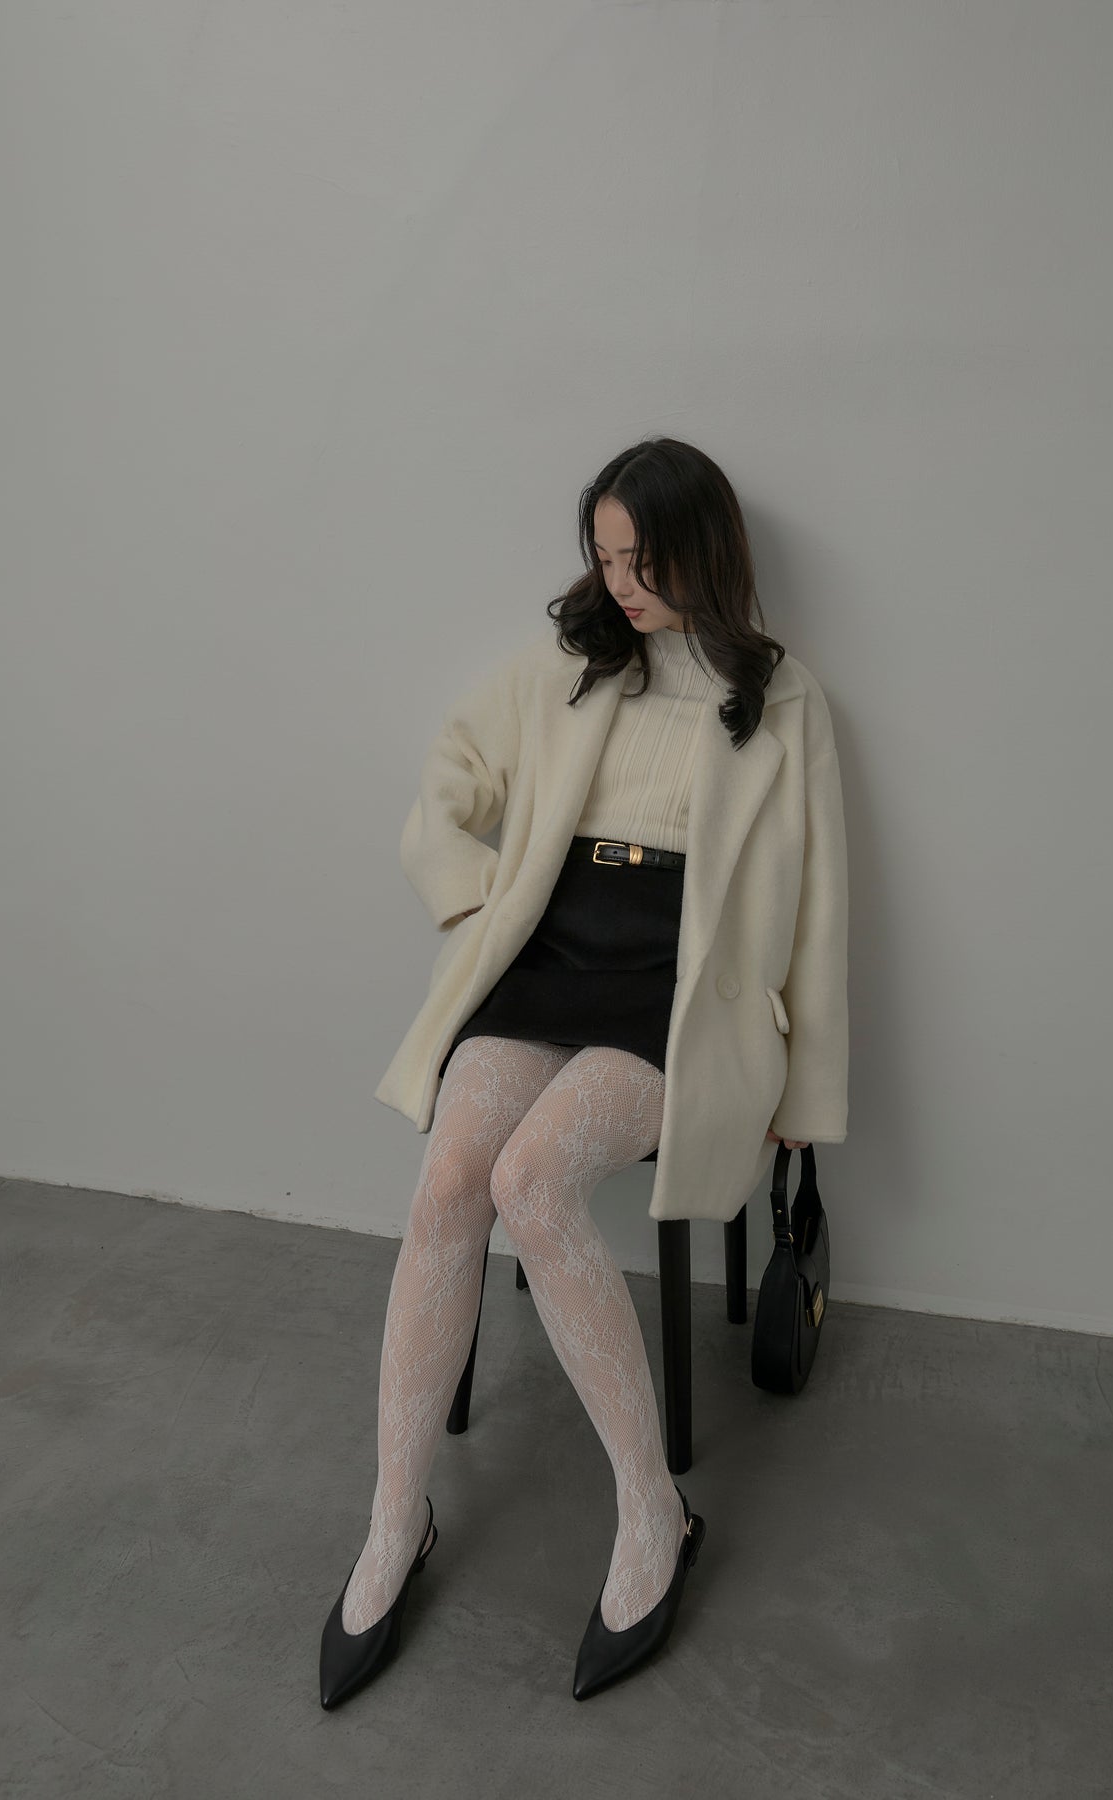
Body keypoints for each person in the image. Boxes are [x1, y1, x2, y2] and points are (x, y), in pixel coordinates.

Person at [319, 436, 841, 1711]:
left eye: (643, 560)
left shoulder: (784, 700)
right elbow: (451, 777)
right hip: (550, 957)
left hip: (684, 991)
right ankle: (394, 1519)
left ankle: (653, 1512)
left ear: (704, 553)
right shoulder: (567, 665)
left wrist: (805, 1097)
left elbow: (822, 911)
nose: (622, 585)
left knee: (535, 1182)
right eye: (606, 559)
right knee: (452, 1179)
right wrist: (471, 900)